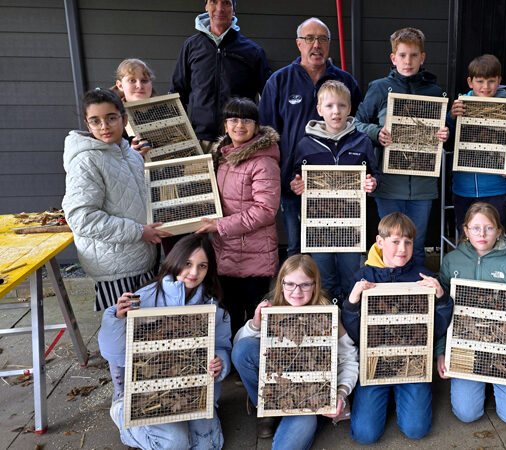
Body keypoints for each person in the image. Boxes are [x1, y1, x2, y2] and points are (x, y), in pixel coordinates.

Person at [97, 234, 232, 449]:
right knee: (174, 444)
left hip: (192, 390)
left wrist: (220, 361)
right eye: (187, 264)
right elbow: (113, 353)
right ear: (175, 260)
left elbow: (222, 345)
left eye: (202, 266)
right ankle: (122, 412)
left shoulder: (213, 307)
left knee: (208, 444)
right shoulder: (145, 298)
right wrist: (117, 319)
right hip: (148, 392)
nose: (194, 273)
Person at [341, 212, 453, 443]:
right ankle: (383, 396)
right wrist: (351, 304)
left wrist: (441, 298)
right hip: (374, 362)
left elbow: (438, 328)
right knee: (364, 435)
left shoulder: (422, 276)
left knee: (417, 429)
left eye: (408, 242)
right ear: (380, 242)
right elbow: (352, 333)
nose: (402, 248)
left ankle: (401, 396)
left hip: (412, 361)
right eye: (395, 241)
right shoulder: (362, 277)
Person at [259, 17, 362, 258]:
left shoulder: (345, 82)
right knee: (296, 247)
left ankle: (328, 294)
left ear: (329, 44)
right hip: (294, 182)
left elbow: (359, 126)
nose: (316, 44)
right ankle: (296, 294)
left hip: (337, 182)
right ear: (299, 44)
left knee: (334, 244)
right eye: (309, 38)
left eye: (322, 39)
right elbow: (267, 133)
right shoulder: (280, 81)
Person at [231, 254, 358, 443]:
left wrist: (340, 393)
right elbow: (239, 350)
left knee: (289, 443)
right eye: (290, 284)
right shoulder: (271, 307)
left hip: (310, 393)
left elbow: (348, 358)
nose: (296, 291)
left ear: (315, 285)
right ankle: (265, 408)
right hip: (276, 385)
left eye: (305, 284)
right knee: (244, 348)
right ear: (281, 284)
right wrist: (256, 325)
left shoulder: (329, 313)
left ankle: (297, 418)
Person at [62, 88, 168, 311]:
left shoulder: (130, 154)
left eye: (111, 118)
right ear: (87, 124)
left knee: (146, 326)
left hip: (142, 259)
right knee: (122, 329)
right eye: (95, 121)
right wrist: (139, 231)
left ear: (124, 118)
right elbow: (81, 218)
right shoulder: (86, 161)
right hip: (115, 268)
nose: (104, 126)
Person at [355, 27, 449, 267]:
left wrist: (443, 131)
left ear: (423, 57)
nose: (408, 61)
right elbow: (356, 124)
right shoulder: (378, 88)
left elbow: (442, 130)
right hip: (388, 183)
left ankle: (416, 297)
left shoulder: (434, 92)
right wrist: (378, 133)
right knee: (391, 244)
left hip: (423, 184)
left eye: (414, 55)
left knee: (416, 245)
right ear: (393, 58)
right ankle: (389, 294)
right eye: (403, 55)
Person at [436, 202, 506, 425]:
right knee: (466, 414)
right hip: (465, 348)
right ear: (465, 231)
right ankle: (480, 385)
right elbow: (441, 312)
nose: (482, 234)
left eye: (489, 228)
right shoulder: (451, 261)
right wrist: (442, 353)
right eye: (475, 228)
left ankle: (494, 382)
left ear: (499, 231)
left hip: (503, 351)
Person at [195, 97, 280, 336]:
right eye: (232, 119)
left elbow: (265, 211)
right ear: (225, 125)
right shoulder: (222, 157)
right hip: (226, 252)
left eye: (246, 120)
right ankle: (229, 363)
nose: (239, 125)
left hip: (254, 257)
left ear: (256, 126)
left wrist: (219, 225)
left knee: (254, 319)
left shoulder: (263, 162)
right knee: (229, 315)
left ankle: (250, 365)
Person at [290, 80, 379, 301]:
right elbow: (295, 177)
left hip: (352, 224)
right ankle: (330, 320)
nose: (335, 111)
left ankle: (349, 321)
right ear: (320, 110)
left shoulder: (362, 141)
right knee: (324, 276)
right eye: (329, 106)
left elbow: (374, 173)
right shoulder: (305, 144)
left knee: (351, 274)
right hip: (318, 225)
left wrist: (372, 182)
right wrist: (295, 184)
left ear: (349, 109)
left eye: (341, 106)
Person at [170, 0, 270, 153]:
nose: (220, 8)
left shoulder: (252, 51)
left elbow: (268, 98)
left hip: (239, 142)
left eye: (226, 3)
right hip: (200, 141)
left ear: (234, 10)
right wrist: (180, 136)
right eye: (214, 2)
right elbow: (177, 94)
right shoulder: (191, 46)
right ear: (206, 7)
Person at [446, 54, 506, 230]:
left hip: (496, 188)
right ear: (470, 82)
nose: (485, 87)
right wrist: (452, 118)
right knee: (466, 238)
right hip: (464, 188)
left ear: (499, 81)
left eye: (491, 81)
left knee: (494, 238)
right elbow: (446, 139)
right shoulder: (461, 105)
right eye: (480, 81)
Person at [111, 58, 156, 157]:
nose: (139, 86)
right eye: (132, 80)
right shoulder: (112, 115)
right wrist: (128, 151)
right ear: (120, 85)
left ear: (151, 84)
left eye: (144, 81)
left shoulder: (166, 110)